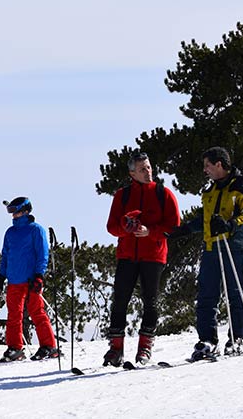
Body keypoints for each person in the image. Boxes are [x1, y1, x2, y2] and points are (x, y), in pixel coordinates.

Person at [168, 146, 243, 361]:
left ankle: (237, 337)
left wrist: (230, 224)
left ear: (219, 164)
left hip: (236, 245)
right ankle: (207, 340)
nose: (205, 170)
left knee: (236, 291)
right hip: (212, 246)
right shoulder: (210, 191)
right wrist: (185, 229)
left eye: (207, 165)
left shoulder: (242, 184)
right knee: (206, 294)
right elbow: (207, 220)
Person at [103, 151, 181, 366]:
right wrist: (125, 227)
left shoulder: (163, 193)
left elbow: (174, 226)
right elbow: (111, 228)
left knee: (151, 302)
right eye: (142, 169)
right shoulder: (122, 195)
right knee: (119, 301)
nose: (148, 172)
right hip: (127, 255)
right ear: (132, 173)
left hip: (154, 255)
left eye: (148, 167)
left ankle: (145, 347)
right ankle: (116, 349)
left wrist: (151, 232)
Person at [0, 197, 59, 362]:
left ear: (25, 211)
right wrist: (1, 275)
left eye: (15, 211)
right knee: (14, 315)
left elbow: (42, 254)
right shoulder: (10, 232)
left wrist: (39, 274)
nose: (13, 215)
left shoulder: (36, 230)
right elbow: (6, 255)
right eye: (11, 212)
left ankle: (49, 346)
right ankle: (15, 348)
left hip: (31, 279)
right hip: (14, 279)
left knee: (36, 312)